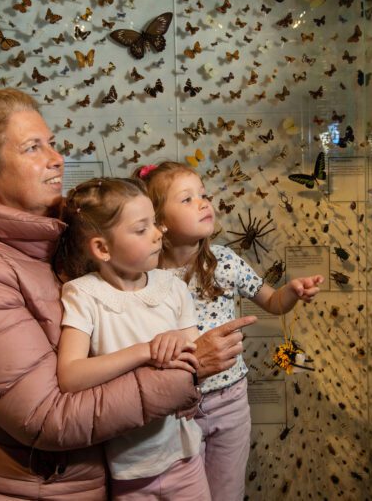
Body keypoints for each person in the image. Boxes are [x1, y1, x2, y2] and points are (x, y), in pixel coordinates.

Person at [0, 88, 255, 500]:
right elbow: (47, 417)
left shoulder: (45, 246)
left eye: (53, 144)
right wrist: (188, 369)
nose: (56, 157)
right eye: (33, 147)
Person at [137, 162, 323, 501]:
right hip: (177, 407)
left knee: (226, 493)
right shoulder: (147, 273)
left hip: (230, 401)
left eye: (204, 195)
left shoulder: (225, 261)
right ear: (160, 222)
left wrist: (292, 292)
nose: (204, 203)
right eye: (188, 199)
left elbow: (273, 302)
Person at [55, 177, 209, 500]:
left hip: (185, 458)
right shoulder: (83, 295)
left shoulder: (173, 288)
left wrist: (180, 345)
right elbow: (70, 375)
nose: (158, 233)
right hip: (128, 470)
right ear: (102, 248)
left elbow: (198, 362)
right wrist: (144, 351)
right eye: (141, 229)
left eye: (154, 223)